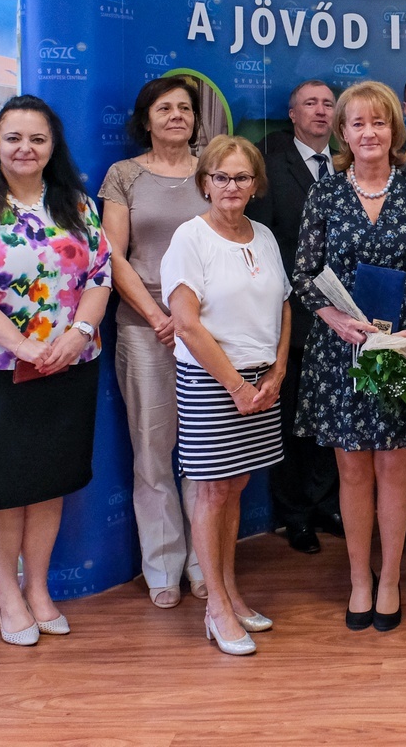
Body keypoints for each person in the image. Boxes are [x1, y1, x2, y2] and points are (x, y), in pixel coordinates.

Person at [0, 95, 112, 647]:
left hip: (68, 363)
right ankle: (7, 596)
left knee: (49, 481)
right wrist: (22, 346)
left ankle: (39, 590)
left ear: (53, 146)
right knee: (1, 488)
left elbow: (100, 275)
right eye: (13, 138)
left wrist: (78, 334)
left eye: (37, 138)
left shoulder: (76, 204)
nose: (25, 148)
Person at [291, 81, 406, 632]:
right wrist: (334, 319)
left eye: (378, 122)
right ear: (343, 132)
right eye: (357, 123)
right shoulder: (326, 194)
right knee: (353, 470)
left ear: (393, 130)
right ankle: (360, 578)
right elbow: (303, 274)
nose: (369, 132)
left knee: (395, 467)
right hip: (342, 355)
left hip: (401, 349)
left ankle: (390, 579)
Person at [160, 135, 292, 656]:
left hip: (261, 383)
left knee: (235, 487)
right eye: (221, 177)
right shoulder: (189, 238)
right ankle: (215, 607)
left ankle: (232, 592)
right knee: (212, 491)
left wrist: (278, 370)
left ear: (255, 184)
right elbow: (187, 325)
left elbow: (283, 305)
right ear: (205, 184)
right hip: (215, 385)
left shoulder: (264, 235)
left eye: (241, 177)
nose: (231, 186)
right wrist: (236, 386)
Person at [99, 75, 208, 609]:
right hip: (146, 329)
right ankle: (162, 566)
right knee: (152, 451)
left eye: (184, 108)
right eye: (164, 108)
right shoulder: (124, 175)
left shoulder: (213, 169)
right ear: (146, 119)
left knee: (207, 452)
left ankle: (205, 564)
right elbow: (113, 256)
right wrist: (157, 315)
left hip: (208, 330)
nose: (176, 116)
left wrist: (189, 321)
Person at [249, 80, 343, 556]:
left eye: (328, 104)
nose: (321, 111)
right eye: (310, 103)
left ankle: (326, 504)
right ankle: (296, 516)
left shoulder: (349, 162)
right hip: (292, 316)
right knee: (290, 420)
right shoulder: (269, 164)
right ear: (292, 114)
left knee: (332, 416)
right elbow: (261, 239)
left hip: (345, 317)